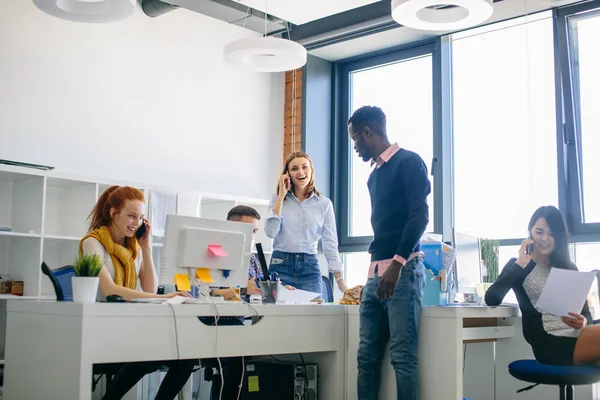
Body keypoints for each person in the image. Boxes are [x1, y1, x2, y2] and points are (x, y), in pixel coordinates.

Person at [79, 186, 195, 400]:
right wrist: (163, 298)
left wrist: (146, 247)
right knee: (145, 353)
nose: (137, 223)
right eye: (131, 216)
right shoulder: (92, 244)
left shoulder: (134, 248)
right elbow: (109, 290)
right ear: (114, 213)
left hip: (130, 326)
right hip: (103, 328)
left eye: (141, 217)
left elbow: (149, 289)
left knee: (186, 358)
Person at [348, 106, 430, 400]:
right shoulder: (374, 176)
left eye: (355, 139)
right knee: (366, 358)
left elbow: (419, 216)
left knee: (402, 357)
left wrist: (397, 262)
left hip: (402, 272)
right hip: (375, 275)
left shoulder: (409, 162)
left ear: (368, 132)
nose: (355, 147)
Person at [486, 205, 600, 366]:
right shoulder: (518, 266)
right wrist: (520, 263)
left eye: (551, 234)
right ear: (530, 233)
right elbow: (492, 298)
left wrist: (584, 323)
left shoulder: (567, 268)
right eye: (539, 232)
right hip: (549, 343)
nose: (544, 239)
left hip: (577, 336)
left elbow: (586, 314)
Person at [264, 151, 347, 295]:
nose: (300, 172)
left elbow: (330, 242)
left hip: (309, 267)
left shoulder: (324, 203)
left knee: (312, 315)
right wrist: (281, 195)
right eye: (294, 168)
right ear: (288, 174)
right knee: (277, 316)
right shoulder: (277, 199)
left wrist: (340, 281)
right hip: (280, 265)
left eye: (304, 167)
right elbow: (271, 232)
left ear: (311, 170)